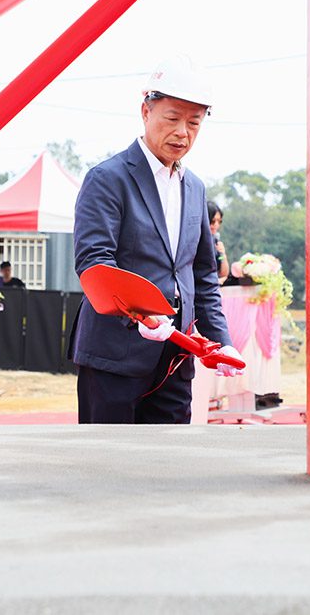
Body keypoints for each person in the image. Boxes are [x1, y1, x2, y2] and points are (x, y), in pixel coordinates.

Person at [70, 56, 241, 424]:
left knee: (170, 467)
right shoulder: (108, 179)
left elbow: (202, 274)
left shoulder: (194, 188)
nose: (183, 132)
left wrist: (220, 338)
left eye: (194, 123)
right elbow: (94, 262)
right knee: (108, 466)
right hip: (115, 355)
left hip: (175, 360)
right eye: (172, 118)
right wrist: (142, 312)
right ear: (145, 111)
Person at [207, 201, 229, 284]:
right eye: (213, 221)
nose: (216, 225)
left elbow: (223, 274)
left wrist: (222, 254)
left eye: (219, 222)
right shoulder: (196, 242)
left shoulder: (215, 241)